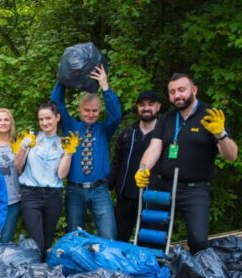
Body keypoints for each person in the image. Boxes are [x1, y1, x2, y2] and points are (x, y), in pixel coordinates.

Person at [135, 73, 238, 253]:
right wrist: (142, 169)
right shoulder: (167, 119)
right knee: (152, 237)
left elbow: (231, 155)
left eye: (181, 90)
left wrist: (220, 134)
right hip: (164, 186)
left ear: (194, 90)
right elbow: (154, 148)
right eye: (172, 92)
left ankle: (197, 277)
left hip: (195, 190)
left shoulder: (210, 116)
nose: (177, 95)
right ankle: (153, 276)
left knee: (198, 240)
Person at [51, 65, 122, 239]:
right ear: (80, 110)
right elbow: (56, 104)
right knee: (74, 236)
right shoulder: (70, 126)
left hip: (99, 190)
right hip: (75, 190)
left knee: (109, 234)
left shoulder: (104, 129)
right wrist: (63, 79)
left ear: (100, 111)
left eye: (95, 111)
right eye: (86, 110)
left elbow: (116, 115)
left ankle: (110, 266)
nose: (90, 114)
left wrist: (104, 86)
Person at [15, 102, 77, 254]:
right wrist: (23, 147)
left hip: (53, 195)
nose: (44, 123)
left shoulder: (63, 142)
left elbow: (62, 175)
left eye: (48, 118)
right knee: (37, 242)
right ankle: (37, 272)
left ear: (57, 117)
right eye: (41, 119)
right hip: (30, 194)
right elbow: (17, 166)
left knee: (48, 241)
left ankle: (43, 275)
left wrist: (68, 154)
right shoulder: (32, 138)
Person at [108, 91, 162, 242]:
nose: (146, 108)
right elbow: (116, 163)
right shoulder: (127, 134)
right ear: (137, 107)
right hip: (126, 197)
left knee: (149, 242)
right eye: (142, 105)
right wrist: (106, 187)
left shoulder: (165, 135)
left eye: (150, 104)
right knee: (118, 240)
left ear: (158, 107)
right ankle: (117, 266)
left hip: (152, 198)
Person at [0, 108, 22, 243]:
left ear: (11, 123)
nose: (3, 123)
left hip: (13, 199)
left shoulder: (17, 143)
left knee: (5, 239)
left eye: (6, 119)